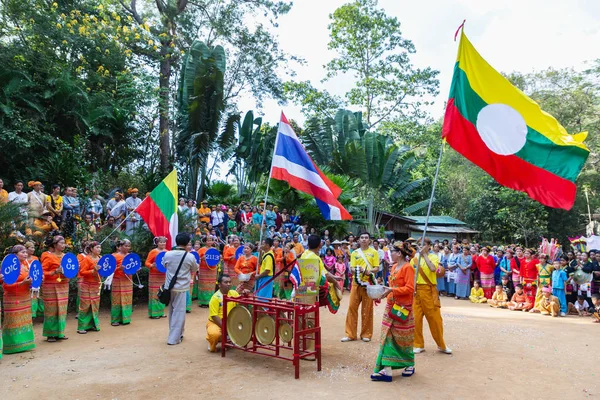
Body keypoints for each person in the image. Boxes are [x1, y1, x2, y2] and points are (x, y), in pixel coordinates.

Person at [370, 241, 416, 382]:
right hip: (391, 305)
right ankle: (387, 369)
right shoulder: (394, 267)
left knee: (403, 337)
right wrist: (381, 295)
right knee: (387, 335)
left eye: (393, 252)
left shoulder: (408, 268)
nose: (391, 254)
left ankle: (409, 363)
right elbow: (391, 287)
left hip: (403, 308)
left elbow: (410, 289)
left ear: (400, 253)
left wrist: (392, 290)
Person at [342, 232, 379, 343]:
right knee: (352, 308)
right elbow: (352, 268)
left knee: (367, 309)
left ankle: (366, 334)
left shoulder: (374, 252)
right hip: (356, 283)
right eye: (362, 237)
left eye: (366, 237)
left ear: (369, 240)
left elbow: (376, 268)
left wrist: (368, 271)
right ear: (358, 240)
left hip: (368, 284)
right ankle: (350, 334)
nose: (364, 239)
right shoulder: (354, 253)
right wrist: (359, 270)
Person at [164, 233, 199, 345]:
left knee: (172, 311)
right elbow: (195, 268)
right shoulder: (190, 256)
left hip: (169, 287)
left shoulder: (168, 254)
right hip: (182, 287)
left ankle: (177, 334)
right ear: (187, 243)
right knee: (179, 313)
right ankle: (173, 339)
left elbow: (165, 265)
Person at [1, 245, 36, 354]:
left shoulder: (26, 265)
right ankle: (11, 345)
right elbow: (6, 285)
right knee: (12, 321)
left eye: (26, 252)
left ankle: (25, 343)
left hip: (25, 297)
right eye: (23, 252)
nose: (26, 254)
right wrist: (22, 283)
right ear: (15, 255)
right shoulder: (8, 266)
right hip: (12, 298)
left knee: (24, 320)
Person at [41, 235, 69, 342]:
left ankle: (60, 332)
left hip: (63, 285)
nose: (63, 245)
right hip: (51, 286)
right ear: (55, 245)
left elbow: (71, 271)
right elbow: (42, 272)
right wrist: (54, 272)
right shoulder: (48, 256)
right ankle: (50, 334)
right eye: (61, 243)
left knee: (62, 309)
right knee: (51, 309)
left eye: (64, 243)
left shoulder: (66, 257)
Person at [206, 275, 240, 352]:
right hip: (216, 322)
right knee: (215, 334)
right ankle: (212, 341)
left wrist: (245, 295)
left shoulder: (234, 293)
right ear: (219, 285)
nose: (228, 284)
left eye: (230, 282)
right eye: (226, 282)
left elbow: (241, 305)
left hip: (230, 322)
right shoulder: (215, 298)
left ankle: (228, 337)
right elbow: (214, 316)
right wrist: (226, 328)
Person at [77, 241, 102, 333]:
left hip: (96, 285)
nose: (99, 249)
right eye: (97, 247)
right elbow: (82, 272)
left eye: (100, 247)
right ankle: (82, 327)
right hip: (87, 285)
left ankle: (92, 325)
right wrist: (93, 270)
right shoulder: (87, 259)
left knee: (95, 305)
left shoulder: (101, 258)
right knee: (85, 305)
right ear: (91, 249)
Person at [111, 239, 133, 326]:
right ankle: (115, 319)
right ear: (120, 246)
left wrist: (136, 269)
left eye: (129, 246)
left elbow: (133, 267)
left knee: (127, 299)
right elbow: (111, 269)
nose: (127, 248)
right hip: (117, 280)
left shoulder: (131, 256)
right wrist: (119, 268)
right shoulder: (114, 256)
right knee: (117, 299)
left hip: (128, 280)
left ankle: (126, 319)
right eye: (125, 246)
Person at [145, 237, 168, 319]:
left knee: (162, 293)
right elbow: (147, 262)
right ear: (157, 243)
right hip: (154, 276)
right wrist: (151, 265)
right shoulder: (153, 252)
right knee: (155, 294)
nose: (162, 244)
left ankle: (161, 312)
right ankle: (154, 313)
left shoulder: (167, 252)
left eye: (164, 242)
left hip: (163, 276)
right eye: (161, 242)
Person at [197, 236, 219, 307]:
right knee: (203, 284)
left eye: (211, 240)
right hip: (204, 269)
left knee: (211, 285)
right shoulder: (201, 250)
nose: (209, 242)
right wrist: (201, 259)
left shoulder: (215, 250)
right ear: (205, 241)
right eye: (208, 240)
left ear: (213, 242)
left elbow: (217, 259)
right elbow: (196, 260)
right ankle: (203, 302)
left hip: (212, 270)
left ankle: (210, 301)